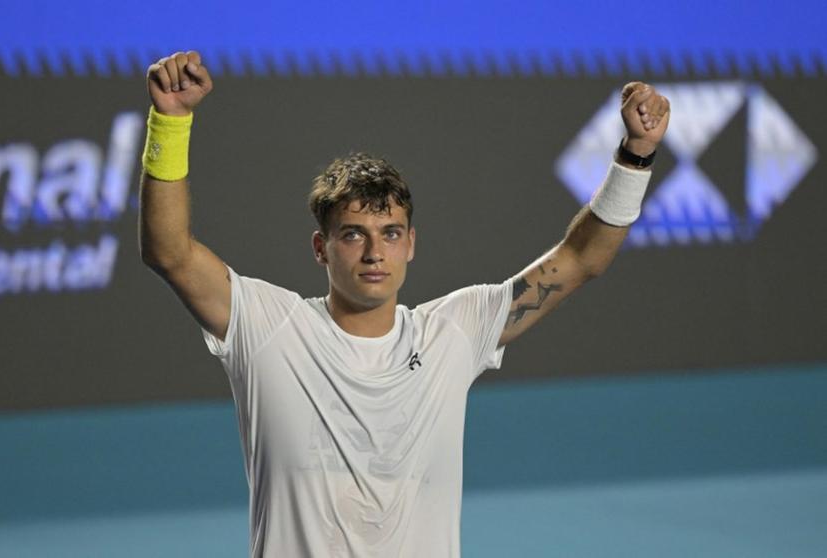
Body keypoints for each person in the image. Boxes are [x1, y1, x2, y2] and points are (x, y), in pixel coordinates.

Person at [139, 51, 670, 558]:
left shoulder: (455, 331)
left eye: (390, 233)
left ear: (411, 244)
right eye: (353, 234)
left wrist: (636, 156)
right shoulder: (268, 326)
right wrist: (170, 121)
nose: (375, 252)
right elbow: (170, 253)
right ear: (321, 248)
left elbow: (580, 260)